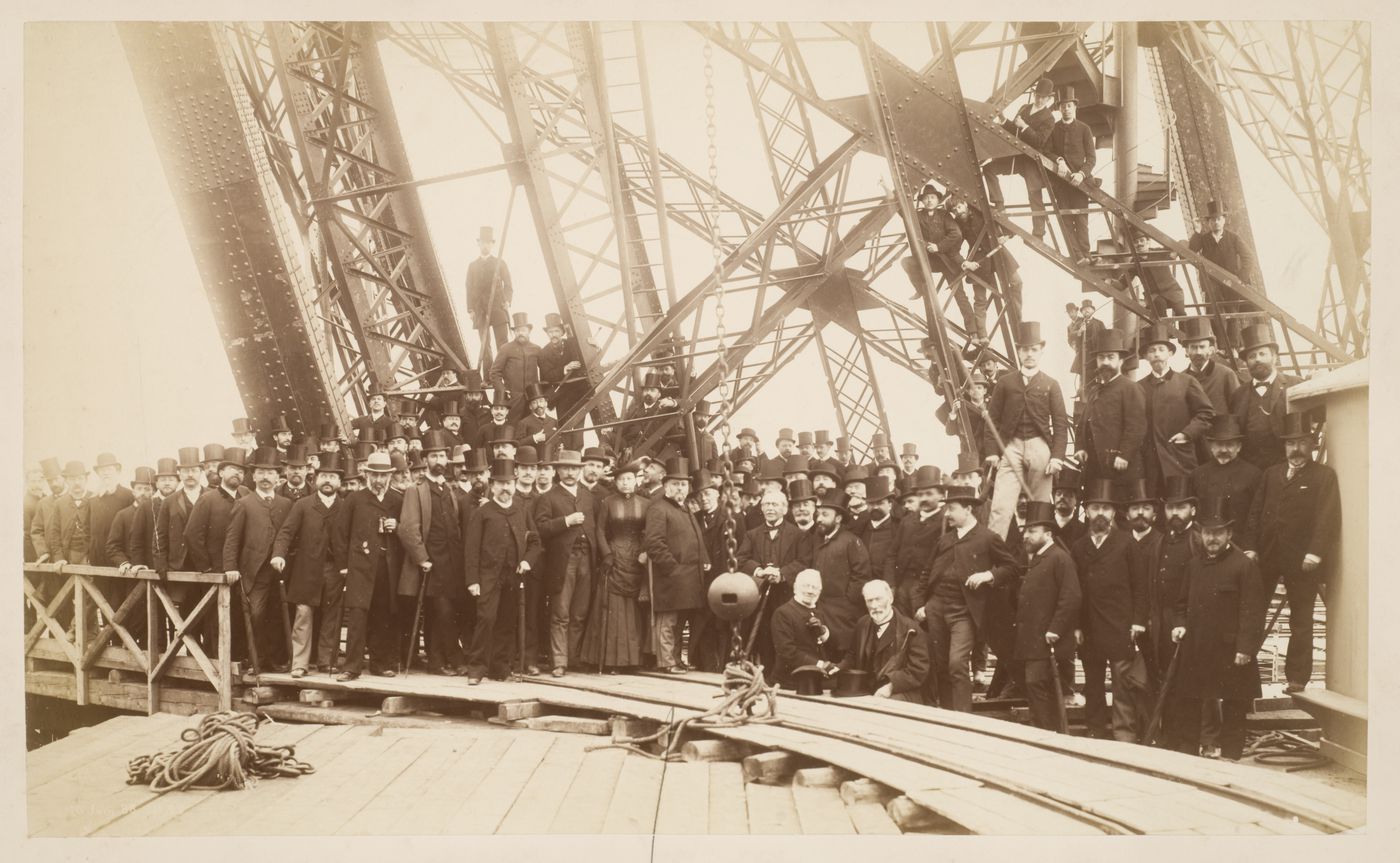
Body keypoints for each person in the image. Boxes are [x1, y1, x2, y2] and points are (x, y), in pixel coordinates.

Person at [1244, 413, 1341, 694]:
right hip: (1266, 556)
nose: (1295, 449)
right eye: (1290, 444)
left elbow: (1327, 517)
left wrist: (1315, 553)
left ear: (1312, 444)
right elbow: (1255, 513)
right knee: (1253, 613)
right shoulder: (1271, 474)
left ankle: (1297, 679)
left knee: (1301, 618)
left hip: (1302, 561)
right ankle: (1245, 678)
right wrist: (1250, 546)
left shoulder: (1324, 476)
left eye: (1301, 443)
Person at [1169, 495, 1268, 760]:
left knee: (1234, 704)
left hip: (1230, 650)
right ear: (1201, 534)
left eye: (1219, 533)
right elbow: (1180, 604)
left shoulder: (1243, 566)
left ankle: (1231, 756)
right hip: (1197, 647)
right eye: (1208, 533)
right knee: (1189, 700)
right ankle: (1188, 755)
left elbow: (1254, 613)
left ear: (1229, 534)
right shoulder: (1193, 566)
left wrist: (1246, 648)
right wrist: (1178, 625)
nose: (1212, 538)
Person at [913, 484, 1021, 712]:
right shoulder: (944, 540)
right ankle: (947, 717)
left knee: (956, 664)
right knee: (941, 665)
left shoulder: (987, 538)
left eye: (951, 508)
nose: (947, 514)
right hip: (936, 609)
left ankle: (963, 719)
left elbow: (1011, 567)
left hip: (963, 612)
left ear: (968, 509)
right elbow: (926, 573)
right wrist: (921, 605)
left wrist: (988, 575)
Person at [1070, 480, 1149, 741]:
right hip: (1090, 627)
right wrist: (1078, 626)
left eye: (1105, 508)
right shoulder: (1079, 547)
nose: (1100, 514)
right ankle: (1095, 730)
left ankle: (1123, 734)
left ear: (1114, 513)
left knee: (1122, 684)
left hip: (1120, 626)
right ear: (1087, 512)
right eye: (1095, 508)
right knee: (1092, 684)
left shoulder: (1127, 544)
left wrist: (1138, 621)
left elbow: (1140, 586)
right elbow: (1075, 591)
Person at [1133, 476, 1203, 747]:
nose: (1175, 513)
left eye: (1181, 507)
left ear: (1192, 511)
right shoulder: (1160, 543)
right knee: (1165, 683)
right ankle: (1170, 742)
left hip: (1188, 627)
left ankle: (1188, 745)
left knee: (1188, 688)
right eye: (1171, 508)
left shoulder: (1197, 541)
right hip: (1161, 627)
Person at [984, 321, 1069, 538]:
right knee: (1000, 507)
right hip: (1010, 447)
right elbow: (992, 420)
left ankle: (1037, 559)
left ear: (1041, 351)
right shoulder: (1005, 382)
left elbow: (1060, 424)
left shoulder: (1051, 384)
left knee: (1039, 508)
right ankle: (994, 561)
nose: (1029, 354)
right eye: (1024, 349)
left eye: (1034, 349)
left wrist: (1057, 457)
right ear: (1019, 352)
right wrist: (993, 452)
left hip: (1040, 446)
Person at [462, 457, 543, 684]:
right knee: (486, 619)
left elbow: (535, 542)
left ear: (514, 485)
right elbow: (471, 550)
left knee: (507, 622)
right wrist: (472, 580)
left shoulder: (521, 511)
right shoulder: (482, 512)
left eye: (509, 483)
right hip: (488, 576)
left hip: (514, 576)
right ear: (493, 486)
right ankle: (476, 669)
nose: (505, 488)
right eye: (500, 483)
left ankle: (500, 668)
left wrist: (527, 561)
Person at [397, 430, 466, 676]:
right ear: (426, 460)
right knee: (441, 610)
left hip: (452, 562)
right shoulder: (415, 490)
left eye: (442, 456)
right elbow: (407, 529)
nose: (439, 461)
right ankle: (455, 660)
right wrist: (422, 559)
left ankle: (437, 663)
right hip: (431, 563)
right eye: (434, 456)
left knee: (444, 612)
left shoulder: (448, 489)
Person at [330, 451, 403, 680]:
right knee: (358, 615)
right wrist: (344, 565)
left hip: (386, 567)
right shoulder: (355, 499)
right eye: (375, 475)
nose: (379, 481)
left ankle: (379, 664)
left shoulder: (397, 500)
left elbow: (409, 533)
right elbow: (339, 534)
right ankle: (351, 667)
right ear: (367, 475)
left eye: (383, 476)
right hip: (360, 566)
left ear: (390, 476)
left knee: (383, 614)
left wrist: (397, 525)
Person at [270, 453, 345, 678]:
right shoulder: (303, 505)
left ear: (339, 482)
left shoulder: (345, 506)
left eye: (333, 477)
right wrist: (278, 554)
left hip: (335, 569)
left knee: (332, 615)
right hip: (306, 568)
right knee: (303, 614)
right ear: (317, 479)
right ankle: (300, 663)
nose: (328, 481)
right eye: (324, 476)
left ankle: (326, 661)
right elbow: (286, 532)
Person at [222, 448, 295, 673]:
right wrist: (231, 568)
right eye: (261, 473)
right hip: (253, 572)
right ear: (253, 476)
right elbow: (232, 540)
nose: (265, 478)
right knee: (256, 614)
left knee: (277, 614)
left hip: (280, 571)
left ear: (277, 477)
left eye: (270, 473)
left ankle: (275, 660)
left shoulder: (286, 503)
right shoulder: (244, 504)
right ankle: (256, 660)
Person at [1014, 501, 1082, 731]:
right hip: (1034, 640)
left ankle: (1047, 734)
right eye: (1025, 530)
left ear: (1048, 533)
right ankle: (1044, 732)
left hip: (1048, 640)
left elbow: (1071, 597)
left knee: (1038, 686)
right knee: (1037, 688)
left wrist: (1055, 628)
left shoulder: (1059, 558)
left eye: (1032, 531)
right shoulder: (1037, 559)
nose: (1026, 536)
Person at [580, 460, 650, 670]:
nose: (626, 483)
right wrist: (607, 554)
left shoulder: (645, 503)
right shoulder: (608, 502)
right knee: (614, 607)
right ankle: (611, 660)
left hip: (637, 559)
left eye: (629, 479)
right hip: (615, 556)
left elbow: (649, 531)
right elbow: (599, 530)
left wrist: (645, 551)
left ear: (635, 481)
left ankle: (634, 660)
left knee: (634, 609)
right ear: (616, 483)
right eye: (621, 480)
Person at [535, 449, 599, 676]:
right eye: (565, 468)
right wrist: (566, 521)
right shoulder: (548, 497)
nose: (570, 473)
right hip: (563, 561)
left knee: (579, 613)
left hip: (586, 560)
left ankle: (573, 658)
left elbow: (595, 529)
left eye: (574, 468)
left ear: (579, 470)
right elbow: (540, 528)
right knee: (560, 612)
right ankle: (559, 662)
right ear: (558, 471)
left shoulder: (588, 496)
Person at [644, 457, 709, 673]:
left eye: (683, 484)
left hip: (689, 576)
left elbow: (696, 538)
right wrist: (671, 568)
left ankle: (676, 659)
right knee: (668, 622)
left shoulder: (685, 509)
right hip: (671, 576)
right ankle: (667, 662)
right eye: (675, 484)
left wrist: (704, 560)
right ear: (665, 486)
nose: (680, 488)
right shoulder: (658, 508)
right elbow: (654, 543)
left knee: (681, 622)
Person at [737, 488, 809, 675]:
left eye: (775, 504)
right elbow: (741, 559)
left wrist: (782, 574)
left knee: (784, 634)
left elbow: (804, 562)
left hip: (785, 594)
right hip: (759, 596)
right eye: (766, 504)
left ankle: (784, 675)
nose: (770, 508)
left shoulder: (798, 535)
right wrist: (759, 571)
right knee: (762, 634)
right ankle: (765, 674)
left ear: (785, 509)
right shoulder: (752, 534)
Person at [1138, 323, 1214, 496]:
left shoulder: (1186, 381)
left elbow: (1206, 413)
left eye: (1161, 349)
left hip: (1180, 458)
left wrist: (1187, 434)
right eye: (1151, 351)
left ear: (1170, 353)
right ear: (1146, 357)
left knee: (1181, 505)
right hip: (1151, 463)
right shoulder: (1138, 387)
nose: (1157, 354)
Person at [1075, 328, 1146, 501]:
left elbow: (1136, 426)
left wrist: (1124, 455)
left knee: (1121, 513)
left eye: (1110, 357)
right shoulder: (1094, 390)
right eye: (1101, 357)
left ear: (1121, 361)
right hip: (1096, 466)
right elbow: (1084, 422)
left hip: (1121, 467)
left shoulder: (1130, 388)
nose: (1105, 362)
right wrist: (1081, 447)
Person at [984, 75, 1056, 240]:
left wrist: (1024, 126)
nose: (1039, 100)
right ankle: (999, 205)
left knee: (1034, 193)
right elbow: (1013, 130)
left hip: (1031, 160)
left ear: (1049, 99)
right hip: (1015, 156)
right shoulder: (1024, 108)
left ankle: (1039, 233)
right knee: (989, 168)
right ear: (1034, 94)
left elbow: (1039, 141)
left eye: (1043, 97)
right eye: (1038, 96)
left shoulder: (1049, 118)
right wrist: (1003, 120)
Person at [839, 579, 930, 702]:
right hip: (868, 689)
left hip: (901, 691)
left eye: (878, 599)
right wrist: (839, 667)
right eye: (870, 601)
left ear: (890, 599)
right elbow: (852, 655)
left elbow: (918, 670)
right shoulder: (863, 623)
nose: (874, 606)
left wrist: (891, 686)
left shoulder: (911, 629)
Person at [1229, 323, 1304, 470]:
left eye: (1262, 354)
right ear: (1247, 363)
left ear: (1274, 357)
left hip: (1287, 464)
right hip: (1251, 468)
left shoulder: (1295, 384)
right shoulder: (1239, 394)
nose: (1257, 359)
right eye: (1252, 356)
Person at [808, 491, 871, 657]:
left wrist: (847, 601)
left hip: (843, 613)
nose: (819, 519)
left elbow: (861, 575)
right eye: (818, 514)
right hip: (820, 606)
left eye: (825, 514)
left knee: (842, 650)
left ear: (838, 518)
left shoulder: (851, 541)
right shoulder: (817, 539)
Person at [951, 196, 1025, 334]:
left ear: (965, 203)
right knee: (980, 299)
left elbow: (1004, 221)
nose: (958, 212)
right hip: (979, 259)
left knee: (1017, 282)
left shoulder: (980, 209)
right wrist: (964, 262)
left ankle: (1016, 318)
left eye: (959, 207)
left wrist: (1006, 235)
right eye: (954, 210)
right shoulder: (956, 223)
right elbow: (954, 244)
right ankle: (982, 334)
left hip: (999, 253)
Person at [1191, 415, 1261, 548]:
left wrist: (1250, 547)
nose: (1223, 450)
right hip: (1206, 544)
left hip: (1240, 546)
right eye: (1219, 444)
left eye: (1229, 445)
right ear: (1211, 446)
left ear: (1239, 447)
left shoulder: (1253, 474)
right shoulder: (1198, 474)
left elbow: (1256, 516)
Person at [884, 465, 945, 616]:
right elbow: (892, 553)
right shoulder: (907, 521)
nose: (924, 498)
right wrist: (890, 584)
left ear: (941, 496)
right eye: (920, 494)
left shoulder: (946, 522)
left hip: (928, 590)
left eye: (929, 493)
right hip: (902, 586)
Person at [1187, 200, 1259, 328]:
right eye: (1213, 219)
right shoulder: (1204, 239)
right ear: (1209, 222)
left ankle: (1234, 346)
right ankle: (1220, 346)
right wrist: (1197, 231)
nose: (1216, 222)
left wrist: (1241, 278)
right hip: (1211, 283)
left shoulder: (1233, 238)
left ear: (1224, 220)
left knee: (1232, 315)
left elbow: (1249, 257)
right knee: (1214, 315)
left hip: (1230, 283)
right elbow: (1191, 251)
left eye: (1219, 219)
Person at [1045, 87, 1096, 264]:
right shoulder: (1053, 129)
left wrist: (1082, 174)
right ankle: (1078, 256)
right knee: (1066, 220)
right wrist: (1058, 160)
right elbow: (1046, 151)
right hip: (1061, 183)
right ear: (1059, 109)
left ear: (1074, 107)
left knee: (1081, 219)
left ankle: (1086, 254)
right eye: (1063, 106)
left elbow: (1091, 157)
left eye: (1069, 106)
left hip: (1080, 183)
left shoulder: (1084, 129)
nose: (1066, 109)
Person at [183, 448, 249, 573]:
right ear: (221, 473)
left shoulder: (247, 494)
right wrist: (206, 566)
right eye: (232, 469)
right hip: (216, 569)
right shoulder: (207, 499)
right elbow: (191, 534)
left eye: (240, 471)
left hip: (243, 569)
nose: (236, 473)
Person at [769, 569, 838, 688]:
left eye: (815, 587)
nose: (810, 591)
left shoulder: (819, 613)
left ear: (820, 591)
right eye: (806, 586)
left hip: (813, 680)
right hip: (789, 682)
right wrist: (821, 664)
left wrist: (823, 632)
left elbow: (829, 648)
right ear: (795, 587)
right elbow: (787, 652)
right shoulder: (783, 613)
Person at [1180, 316, 1242, 425]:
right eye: (1194, 347)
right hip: (1192, 438)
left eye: (1202, 347)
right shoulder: (1181, 379)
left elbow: (1238, 410)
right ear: (1186, 351)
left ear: (1211, 350)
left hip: (1220, 438)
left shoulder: (1226, 374)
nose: (1198, 352)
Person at [466, 225, 512, 353]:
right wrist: (470, 309)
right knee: (484, 346)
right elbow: (468, 288)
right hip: (480, 310)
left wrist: (507, 301)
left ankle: (504, 373)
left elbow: (508, 285)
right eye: (482, 243)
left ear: (492, 244)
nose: (485, 246)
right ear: (478, 244)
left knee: (503, 344)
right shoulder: (472, 266)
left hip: (498, 307)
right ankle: (488, 373)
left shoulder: (500, 263)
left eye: (488, 243)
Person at [87, 452, 135, 568]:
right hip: (97, 558)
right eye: (102, 470)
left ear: (117, 471)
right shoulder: (93, 499)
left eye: (109, 469)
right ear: (98, 473)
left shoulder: (128, 495)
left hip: (121, 559)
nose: (105, 473)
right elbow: (87, 528)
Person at [106, 466, 157, 572]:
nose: (143, 493)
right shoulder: (123, 515)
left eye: (147, 489)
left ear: (154, 492)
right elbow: (112, 546)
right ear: (133, 492)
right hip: (132, 572)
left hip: (155, 570)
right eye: (139, 489)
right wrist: (124, 562)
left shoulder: (159, 513)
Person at [1125, 233, 1187, 318]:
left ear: (1148, 241)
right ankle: (1166, 330)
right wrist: (1107, 281)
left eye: (1142, 240)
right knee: (1160, 313)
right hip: (1154, 295)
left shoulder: (1159, 252)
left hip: (1172, 290)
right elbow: (1124, 282)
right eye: (1136, 242)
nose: (1139, 243)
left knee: (1181, 313)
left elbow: (1182, 244)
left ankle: (1185, 331)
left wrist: (1177, 249)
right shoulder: (1134, 261)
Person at [1066, 300, 1105, 380]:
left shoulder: (1099, 323)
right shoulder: (1078, 324)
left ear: (1093, 310)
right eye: (1084, 309)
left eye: (1089, 308)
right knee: (1084, 378)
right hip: (1084, 356)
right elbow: (1071, 336)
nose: (1086, 310)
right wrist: (1079, 333)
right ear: (1082, 312)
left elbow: (1105, 336)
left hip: (1096, 353)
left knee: (1098, 377)